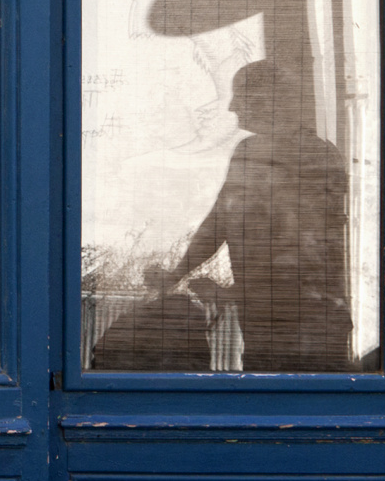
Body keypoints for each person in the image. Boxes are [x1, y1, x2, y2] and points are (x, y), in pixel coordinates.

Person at [97, 60, 353, 373]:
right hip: (263, 324)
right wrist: (176, 276)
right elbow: (219, 222)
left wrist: (228, 294)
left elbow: (301, 258)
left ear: (269, 100)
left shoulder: (313, 156)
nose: (232, 107)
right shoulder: (250, 151)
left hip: (308, 329)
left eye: (241, 96)